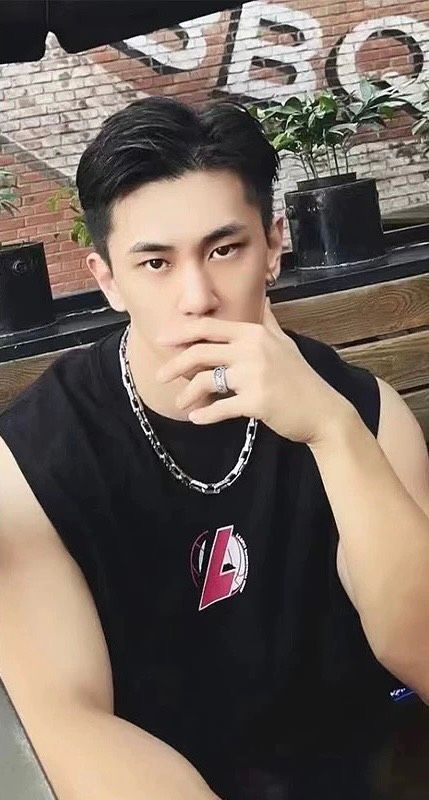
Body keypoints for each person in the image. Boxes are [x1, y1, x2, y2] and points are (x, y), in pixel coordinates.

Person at [0, 95, 428, 800]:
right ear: (107, 280)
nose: (197, 297)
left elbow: (417, 650)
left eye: (224, 250)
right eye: (155, 263)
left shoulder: (363, 412)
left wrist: (332, 431)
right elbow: (70, 722)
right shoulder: (35, 460)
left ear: (273, 246)